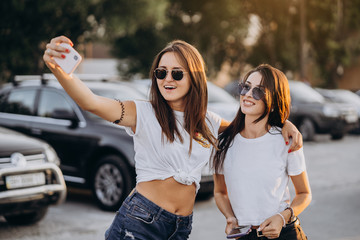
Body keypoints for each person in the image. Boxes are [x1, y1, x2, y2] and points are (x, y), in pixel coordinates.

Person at [43, 36, 302, 240]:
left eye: (177, 73)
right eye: (161, 72)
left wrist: (284, 122)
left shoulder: (208, 121)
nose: (167, 79)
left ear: (194, 78)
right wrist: (60, 70)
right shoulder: (141, 113)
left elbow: (248, 121)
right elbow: (90, 102)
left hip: (180, 227)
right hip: (140, 221)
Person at [213, 64, 312, 240]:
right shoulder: (224, 143)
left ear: (273, 101)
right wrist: (230, 217)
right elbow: (220, 192)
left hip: (284, 233)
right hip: (244, 236)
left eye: (259, 91)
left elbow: (304, 194)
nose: (248, 94)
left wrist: (282, 218)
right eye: (246, 87)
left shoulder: (286, 140)